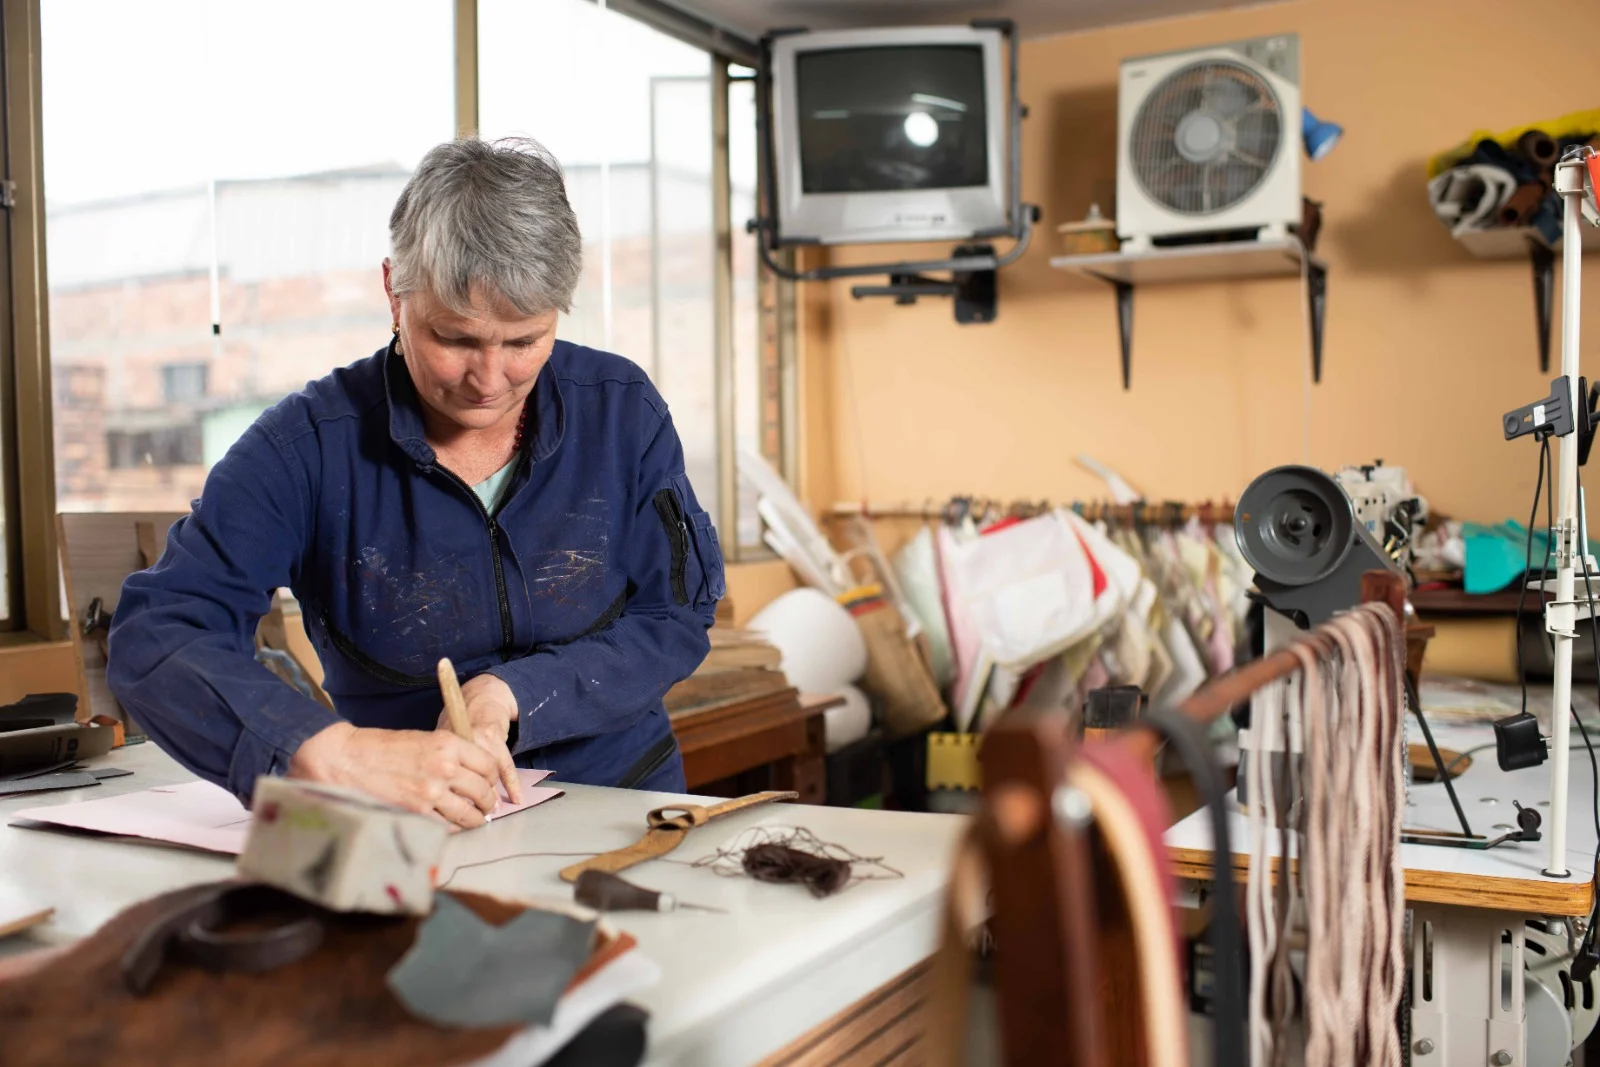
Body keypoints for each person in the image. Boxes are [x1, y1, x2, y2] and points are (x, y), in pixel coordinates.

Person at [108, 138, 724, 829]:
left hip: (627, 806)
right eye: (455, 338)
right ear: (393, 290)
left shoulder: (621, 410)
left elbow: (673, 615)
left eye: (523, 342)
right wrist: (330, 753)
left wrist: (514, 691)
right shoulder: (305, 449)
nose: (488, 380)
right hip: (411, 827)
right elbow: (157, 635)